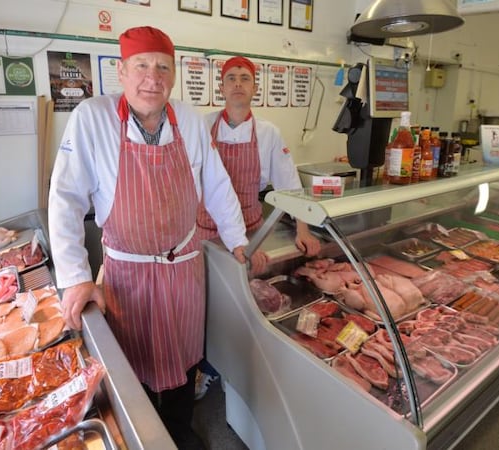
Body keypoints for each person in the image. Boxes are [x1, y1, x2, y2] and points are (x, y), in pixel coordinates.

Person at [48, 26, 249, 449]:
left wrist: (237, 241)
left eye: (162, 67)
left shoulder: (190, 120)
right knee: (131, 359)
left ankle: (178, 430)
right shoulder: (92, 117)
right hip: (127, 271)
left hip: (184, 265)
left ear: (173, 76)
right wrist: (76, 277)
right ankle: (141, 436)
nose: (151, 78)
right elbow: (65, 198)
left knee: (183, 352)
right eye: (141, 66)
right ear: (121, 72)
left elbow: (217, 185)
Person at [193, 56, 322, 400]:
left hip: (249, 233)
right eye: (231, 78)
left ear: (255, 88)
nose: (238, 84)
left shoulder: (268, 133)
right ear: (221, 87)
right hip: (205, 232)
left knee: (243, 303)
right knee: (207, 304)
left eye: (245, 78)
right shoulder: (201, 127)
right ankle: (206, 366)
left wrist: (303, 230)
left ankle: (236, 370)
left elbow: (289, 185)